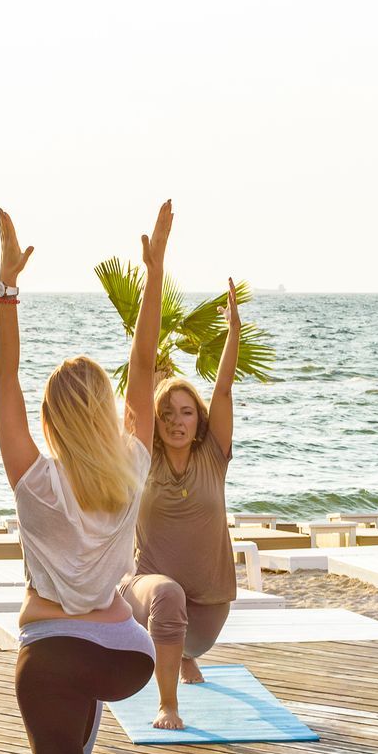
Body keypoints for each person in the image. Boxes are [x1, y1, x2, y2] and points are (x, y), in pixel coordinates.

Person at [0, 202, 163, 754]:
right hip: (127, 656)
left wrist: (7, 287)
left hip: (48, 644)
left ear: (49, 419)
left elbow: (3, 380)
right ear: (106, 409)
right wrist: (153, 275)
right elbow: (146, 365)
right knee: (83, 697)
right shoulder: (132, 467)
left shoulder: (37, 483)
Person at [118, 279, 245, 730]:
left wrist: (233, 332)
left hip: (209, 608)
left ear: (199, 419)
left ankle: (186, 655)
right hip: (146, 593)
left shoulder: (214, 456)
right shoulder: (142, 458)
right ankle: (168, 704)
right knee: (167, 595)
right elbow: (138, 371)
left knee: (186, 630)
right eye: (167, 413)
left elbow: (225, 389)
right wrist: (154, 273)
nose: (176, 421)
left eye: (186, 411)